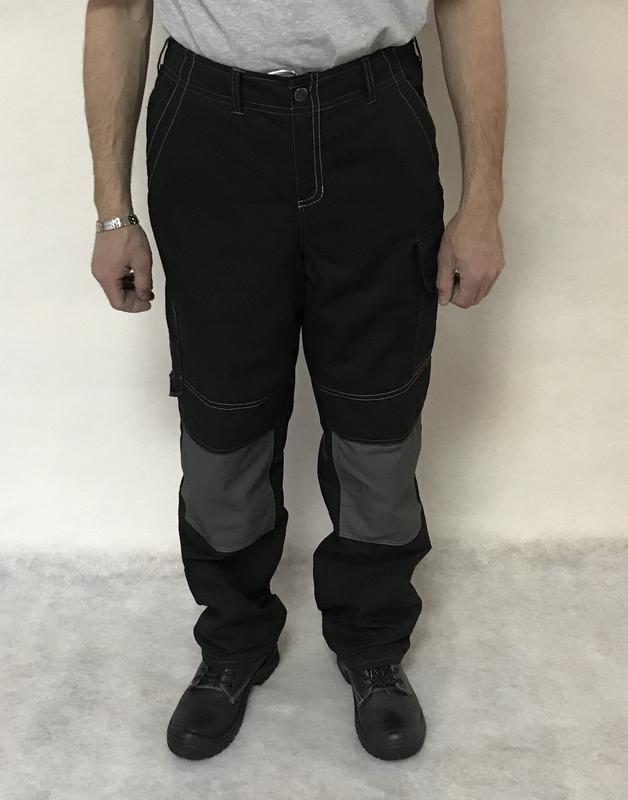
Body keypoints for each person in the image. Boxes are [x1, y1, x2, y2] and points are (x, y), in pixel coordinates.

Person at [84, 0, 506, 762]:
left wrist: (484, 202)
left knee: (378, 418)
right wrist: (113, 214)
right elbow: (116, 9)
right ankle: (233, 642)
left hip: (374, 125)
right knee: (223, 418)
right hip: (211, 128)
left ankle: (372, 644)